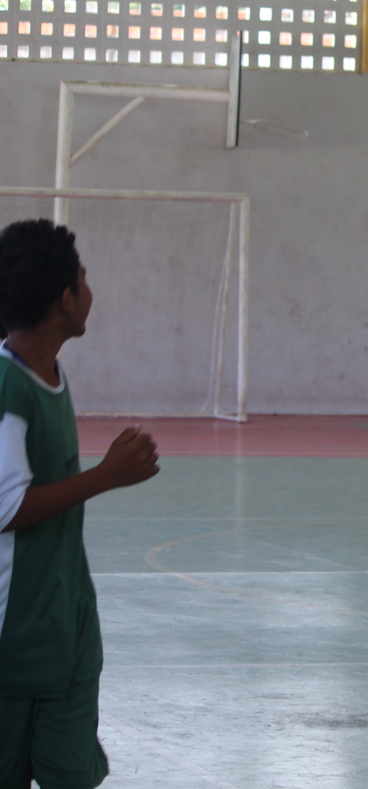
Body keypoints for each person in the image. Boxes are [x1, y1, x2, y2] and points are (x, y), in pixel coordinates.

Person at [0, 220, 160, 789]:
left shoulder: (49, 373)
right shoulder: (8, 389)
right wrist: (106, 476)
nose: (91, 290)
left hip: (67, 622)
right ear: (65, 299)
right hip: (15, 635)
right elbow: (6, 508)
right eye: (84, 278)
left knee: (70, 773)